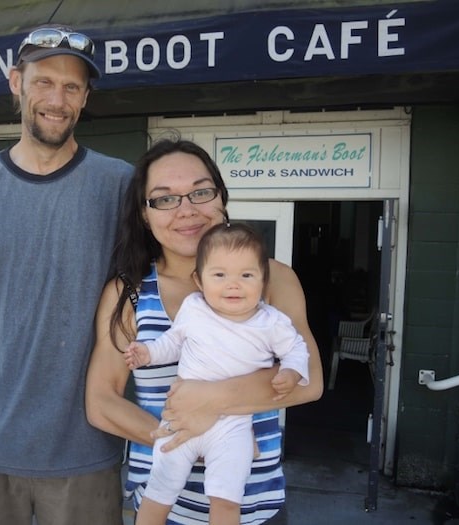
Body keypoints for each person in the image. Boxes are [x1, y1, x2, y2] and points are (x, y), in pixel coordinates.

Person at [0, 24, 134, 525]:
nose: (56, 99)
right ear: (15, 82)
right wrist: (0, 366)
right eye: (44, 81)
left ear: (85, 98)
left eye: (71, 87)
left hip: (85, 444)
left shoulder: (120, 183)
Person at [86, 139, 324, 524]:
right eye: (164, 199)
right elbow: (101, 402)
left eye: (200, 192)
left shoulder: (272, 278)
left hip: (254, 507)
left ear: (221, 197)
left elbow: (308, 381)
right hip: (163, 508)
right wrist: (185, 437)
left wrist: (209, 401)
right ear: (144, 214)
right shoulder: (128, 292)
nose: (187, 210)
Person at [124, 222, 310, 525]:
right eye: (220, 275)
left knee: (225, 499)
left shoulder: (270, 322)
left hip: (233, 427)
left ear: (263, 280)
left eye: (247, 275)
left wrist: (290, 370)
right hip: (181, 420)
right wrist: (148, 353)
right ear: (199, 280)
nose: (233, 284)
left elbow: (298, 349)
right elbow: (172, 343)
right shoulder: (194, 308)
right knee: (159, 492)